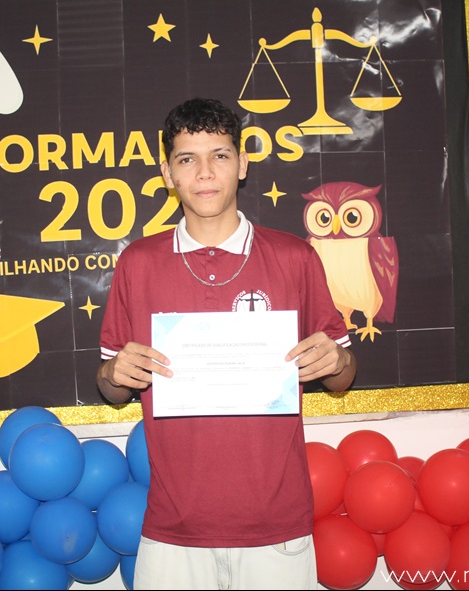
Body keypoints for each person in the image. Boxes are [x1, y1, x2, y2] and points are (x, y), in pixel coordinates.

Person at [97, 97, 356, 590]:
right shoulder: (138, 262)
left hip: (276, 528)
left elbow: (343, 378)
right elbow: (112, 388)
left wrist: (337, 359)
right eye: (186, 159)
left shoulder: (295, 257)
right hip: (173, 530)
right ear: (167, 172)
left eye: (219, 155)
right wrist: (114, 374)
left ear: (242, 164)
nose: (205, 172)